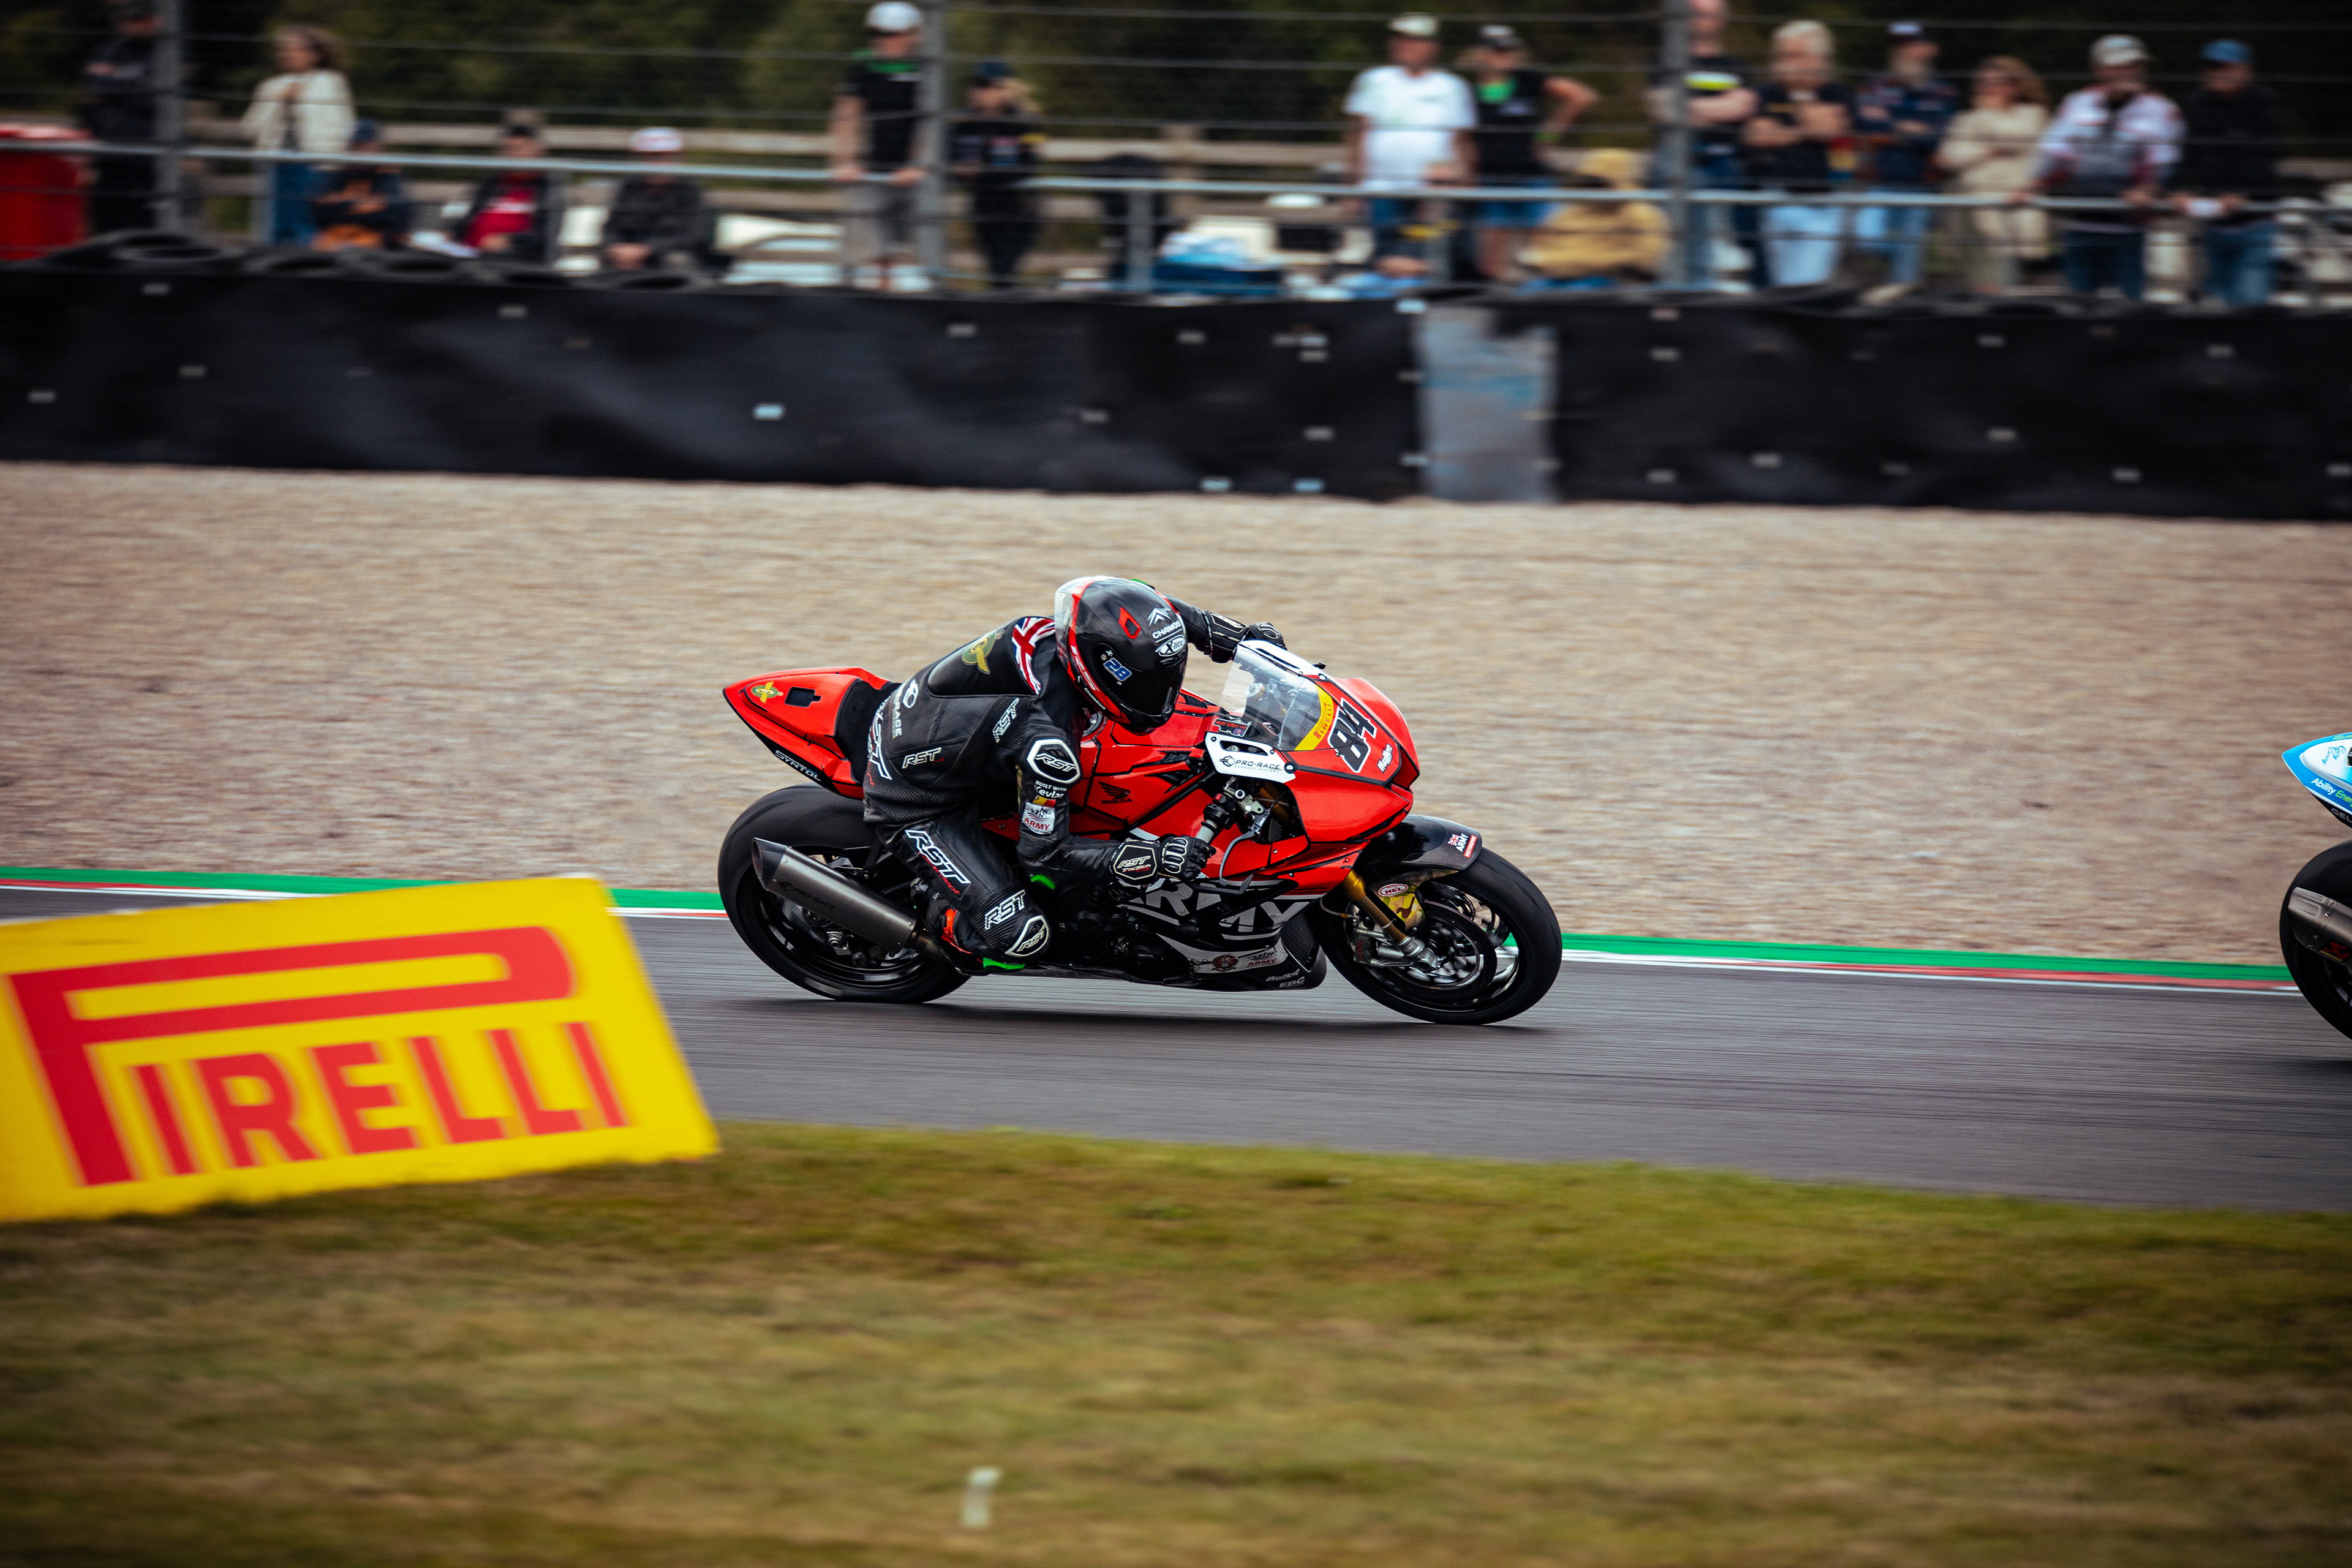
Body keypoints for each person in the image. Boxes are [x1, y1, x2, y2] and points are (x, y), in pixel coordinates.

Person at [861, 578, 1284, 970]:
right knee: (1021, 938)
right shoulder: (1049, 744)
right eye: (1146, 684)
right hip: (916, 802)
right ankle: (936, 907)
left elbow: (1152, 612)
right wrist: (1154, 856)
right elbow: (1046, 854)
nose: (1163, 693)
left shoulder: (1079, 628)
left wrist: (1238, 638)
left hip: (945, 737)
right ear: (1101, 671)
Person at [2029, 36, 2181, 302]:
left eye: (2135, 65)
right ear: (2099, 70)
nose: (2129, 72)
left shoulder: (2162, 110)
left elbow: (2166, 164)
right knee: (2077, 306)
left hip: (2129, 229)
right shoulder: (2076, 103)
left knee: (2129, 310)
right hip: (2080, 224)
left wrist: (2149, 188)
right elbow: (2055, 155)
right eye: (2119, 66)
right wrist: (2031, 185)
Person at [1463, 25, 1597, 283]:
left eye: (1508, 50)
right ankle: (1494, 299)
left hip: (1532, 178)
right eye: (1496, 50)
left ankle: (1545, 296)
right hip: (1492, 181)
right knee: (1490, 263)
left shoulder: (1529, 80)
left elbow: (1582, 97)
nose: (1504, 55)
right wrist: (1470, 173)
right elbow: (1465, 139)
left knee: (1545, 253)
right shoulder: (1468, 92)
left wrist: (1549, 135)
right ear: (1479, 54)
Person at [1343, 13, 1477, 271]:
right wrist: (1353, 187)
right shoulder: (1373, 81)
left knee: (1433, 253)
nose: (1407, 46)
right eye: (1401, 39)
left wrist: (1465, 187)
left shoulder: (1452, 87)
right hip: (1382, 187)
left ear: (1433, 46)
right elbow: (1357, 135)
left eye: (1416, 40)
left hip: (1432, 192)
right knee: (1385, 254)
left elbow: (1462, 142)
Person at [1645, 0, 1758, 288]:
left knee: (1726, 248)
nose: (1703, 17)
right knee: (1675, 247)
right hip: (1677, 165)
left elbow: (1743, 108)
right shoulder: (1666, 60)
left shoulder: (1738, 67)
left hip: (1726, 168)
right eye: (1696, 11)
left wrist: (1688, 108)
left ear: (1723, 18)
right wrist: (1721, 108)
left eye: (1710, 12)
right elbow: (1662, 109)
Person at [2170, 40, 2285, 307]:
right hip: (2213, 225)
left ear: (2246, 71)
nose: (2217, 73)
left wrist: (2243, 192)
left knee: (2251, 305)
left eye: (2225, 67)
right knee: (2215, 307)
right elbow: (2188, 155)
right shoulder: (2195, 105)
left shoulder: (2263, 104)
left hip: (2255, 223)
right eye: (2211, 67)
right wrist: (2181, 188)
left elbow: (2268, 155)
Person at [1743, 21, 1852, 288]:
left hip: (1822, 206)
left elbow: (1828, 129)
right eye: (1780, 55)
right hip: (1776, 201)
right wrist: (1807, 129)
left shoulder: (1837, 93)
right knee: (1782, 286)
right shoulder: (1766, 93)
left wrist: (1798, 104)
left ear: (1818, 59)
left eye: (1793, 55)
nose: (1783, 63)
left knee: (1807, 286)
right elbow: (1758, 135)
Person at [1853, 21, 1958, 289]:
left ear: (1931, 49)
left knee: (1906, 273)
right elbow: (1866, 126)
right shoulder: (1874, 87)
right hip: (1879, 183)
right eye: (1899, 45)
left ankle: (1904, 298)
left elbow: (1938, 138)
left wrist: (1890, 126)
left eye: (1911, 44)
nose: (1903, 51)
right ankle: (1900, 262)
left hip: (1921, 186)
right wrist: (1910, 129)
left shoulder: (1943, 92)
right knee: (1867, 239)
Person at [831, 0, 928, 290]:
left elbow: (930, 123)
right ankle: (875, 294)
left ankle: (937, 291)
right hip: (874, 170)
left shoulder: (926, 67)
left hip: (916, 172)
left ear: (912, 35)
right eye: (880, 34)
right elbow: (848, 113)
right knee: (869, 239)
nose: (885, 41)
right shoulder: (864, 65)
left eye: (894, 34)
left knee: (929, 238)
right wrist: (845, 160)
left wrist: (919, 165)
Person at [1936, 56, 2049, 293]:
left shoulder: (2033, 115)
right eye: (1983, 83)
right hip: (1969, 208)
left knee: (2003, 282)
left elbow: (2015, 139)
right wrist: (1988, 151)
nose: (1987, 89)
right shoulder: (1965, 118)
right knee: (1976, 284)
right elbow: (1947, 157)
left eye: (1995, 84)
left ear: (2015, 88)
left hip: (2008, 208)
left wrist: (1986, 116)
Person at [238, 24, 353, 249]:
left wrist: (336, 163)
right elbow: (250, 129)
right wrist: (279, 101)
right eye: (284, 49)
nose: (288, 54)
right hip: (276, 164)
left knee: (309, 221)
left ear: (314, 54)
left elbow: (344, 126)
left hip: (314, 165)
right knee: (274, 221)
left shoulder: (330, 83)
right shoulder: (271, 87)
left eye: (295, 49)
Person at [949, 61, 1044, 289]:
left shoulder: (1028, 122)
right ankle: (1005, 301)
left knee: (1004, 270)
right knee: (996, 271)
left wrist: (981, 172)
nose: (981, 92)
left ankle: (1007, 301)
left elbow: (1029, 164)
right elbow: (952, 161)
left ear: (1005, 89)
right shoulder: (963, 124)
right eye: (977, 85)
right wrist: (965, 171)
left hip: (1019, 205)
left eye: (988, 85)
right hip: (984, 204)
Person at [74, 1, 163, 235]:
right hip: (109, 157)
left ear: (156, 20)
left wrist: (113, 90)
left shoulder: (165, 54)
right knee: (104, 228)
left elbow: (155, 100)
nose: (130, 25)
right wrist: (134, 86)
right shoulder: (106, 51)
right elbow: (93, 91)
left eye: (138, 19)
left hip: (147, 161)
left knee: (144, 230)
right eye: (124, 19)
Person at [1521, 146, 1668, 288]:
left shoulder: (1640, 214)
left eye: (1600, 184)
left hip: (1610, 281)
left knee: (1576, 294)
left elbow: (1642, 260)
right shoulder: (1571, 212)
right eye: (1589, 183)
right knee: (1530, 292)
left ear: (1618, 183)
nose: (1593, 189)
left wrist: (1582, 263)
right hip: (1559, 277)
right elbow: (1541, 249)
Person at [599, 126, 713, 273]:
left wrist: (646, 250)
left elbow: (694, 236)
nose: (654, 163)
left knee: (677, 261)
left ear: (677, 159)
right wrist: (615, 249)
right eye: (648, 157)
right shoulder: (629, 189)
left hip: (671, 259)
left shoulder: (691, 191)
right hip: (629, 257)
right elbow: (612, 227)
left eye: (661, 157)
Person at [458, 122, 567, 265]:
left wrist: (510, 241)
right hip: (468, 256)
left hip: (513, 261)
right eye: (507, 150)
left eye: (518, 149)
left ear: (538, 151)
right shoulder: (491, 185)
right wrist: (450, 235)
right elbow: (469, 221)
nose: (512, 155)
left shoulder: (548, 189)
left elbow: (546, 238)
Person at [309, 120, 411, 251]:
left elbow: (396, 214)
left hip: (375, 241)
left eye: (367, 146)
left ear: (378, 148)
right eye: (357, 146)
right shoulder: (337, 175)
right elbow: (320, 209)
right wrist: (361, 205)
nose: (362, 152)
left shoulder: (388, 176)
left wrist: (343, 203)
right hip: (335, 237)